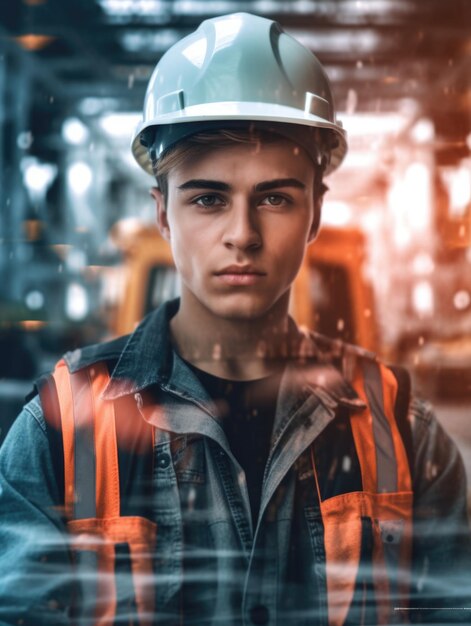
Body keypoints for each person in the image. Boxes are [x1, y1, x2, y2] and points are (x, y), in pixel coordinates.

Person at [0, 12, 470, 626]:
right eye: (208, 199)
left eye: (275, 197)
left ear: (316, 215)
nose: (242, 236)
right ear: (163, 214)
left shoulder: (404, 431)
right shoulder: (58, 432)